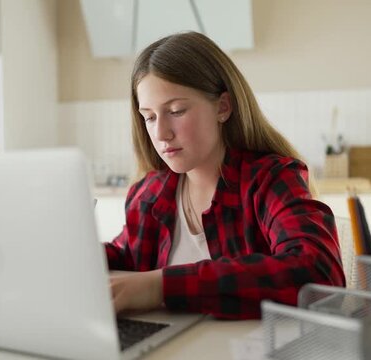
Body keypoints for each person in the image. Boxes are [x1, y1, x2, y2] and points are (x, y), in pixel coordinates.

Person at [105, 31, 345, 320]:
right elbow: (127, 255)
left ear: (222, 107)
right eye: (150, 117)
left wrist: (161, 286)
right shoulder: (149, 193)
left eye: (176, 111)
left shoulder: (271, 180)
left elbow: (319, 275)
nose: (161, 133)